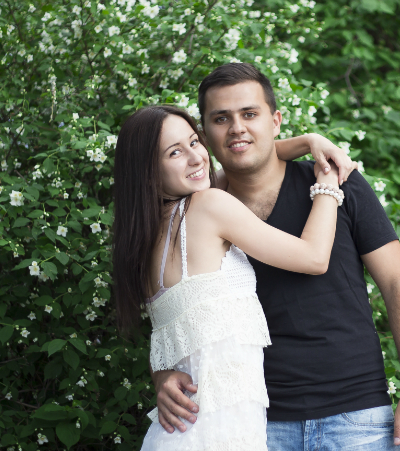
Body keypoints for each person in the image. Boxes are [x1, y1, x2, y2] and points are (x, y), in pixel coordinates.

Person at [153, 63, 400, 451]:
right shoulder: (200, 211)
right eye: (221, 119)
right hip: (258, 425)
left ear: (275, 121)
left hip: (356, 416)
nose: (236, 128)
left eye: (249, 114)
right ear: (204, 135)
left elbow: (397, 282)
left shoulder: (339, 179)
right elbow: (174, 307)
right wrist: (163, 373)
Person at [112, 104, 353, 450]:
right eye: (175, 152)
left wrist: (307, 142)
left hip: (181, 436)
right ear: (147, 171)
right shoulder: (209, 206)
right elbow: (314, 257)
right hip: (218, 436)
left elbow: (247, 162)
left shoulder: (145, 240)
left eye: (194, 142)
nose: (196, 158)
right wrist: (327, 183)